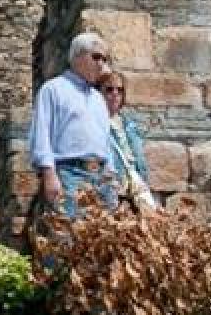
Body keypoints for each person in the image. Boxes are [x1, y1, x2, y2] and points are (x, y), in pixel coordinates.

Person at [29, 32, 118, 218]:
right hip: (69, 174)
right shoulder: (53, 89)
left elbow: (105, 140)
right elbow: (41, 134)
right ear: (77, 56)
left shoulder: (98, 99)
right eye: (96, 57)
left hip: (102, 179)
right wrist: (49, 174)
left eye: (104, 58)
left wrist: (111, 173)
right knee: (68, 239)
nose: (101, 63)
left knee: (103, 243)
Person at [98, 71, 157, 212]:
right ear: (100, 93)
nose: (115, 94)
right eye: (109, 89)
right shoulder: (96, 123)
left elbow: (138, 157)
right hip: (112, 185)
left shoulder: (129, 124)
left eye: (120, 90)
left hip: (135, 182)